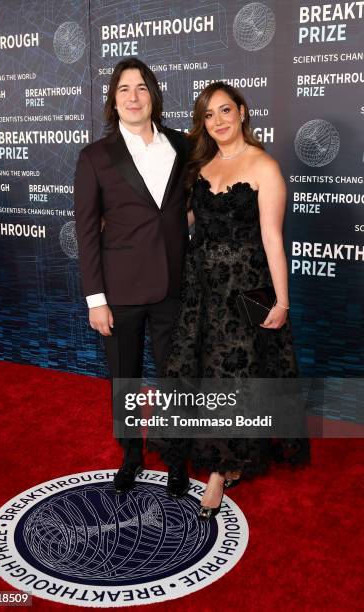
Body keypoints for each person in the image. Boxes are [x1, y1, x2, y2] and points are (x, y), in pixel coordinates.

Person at [155, 82, 309, 519]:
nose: (219, 121)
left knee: (236, 373)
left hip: (248, 288)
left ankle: (221, 471)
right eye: (208, 115)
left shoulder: (264, 166)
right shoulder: (198, 167)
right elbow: (180, 222)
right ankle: (230, 453)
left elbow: (272, 238)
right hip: (201, 289)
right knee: (200, 370)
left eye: (225, 110)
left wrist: (281, 301)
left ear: (242, 111)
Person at [74, 58, 191, 497]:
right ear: (113, 99)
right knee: (124, 377)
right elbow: (86, 233)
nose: (133, 96)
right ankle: (131, 455)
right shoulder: (95, 157)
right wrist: (95, 300)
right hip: (119, 292)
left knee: (174, 376)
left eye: (141, 87)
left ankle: (177, 457)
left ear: (153, 94)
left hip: (173, 287)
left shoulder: (182, 145)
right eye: (124, 89)